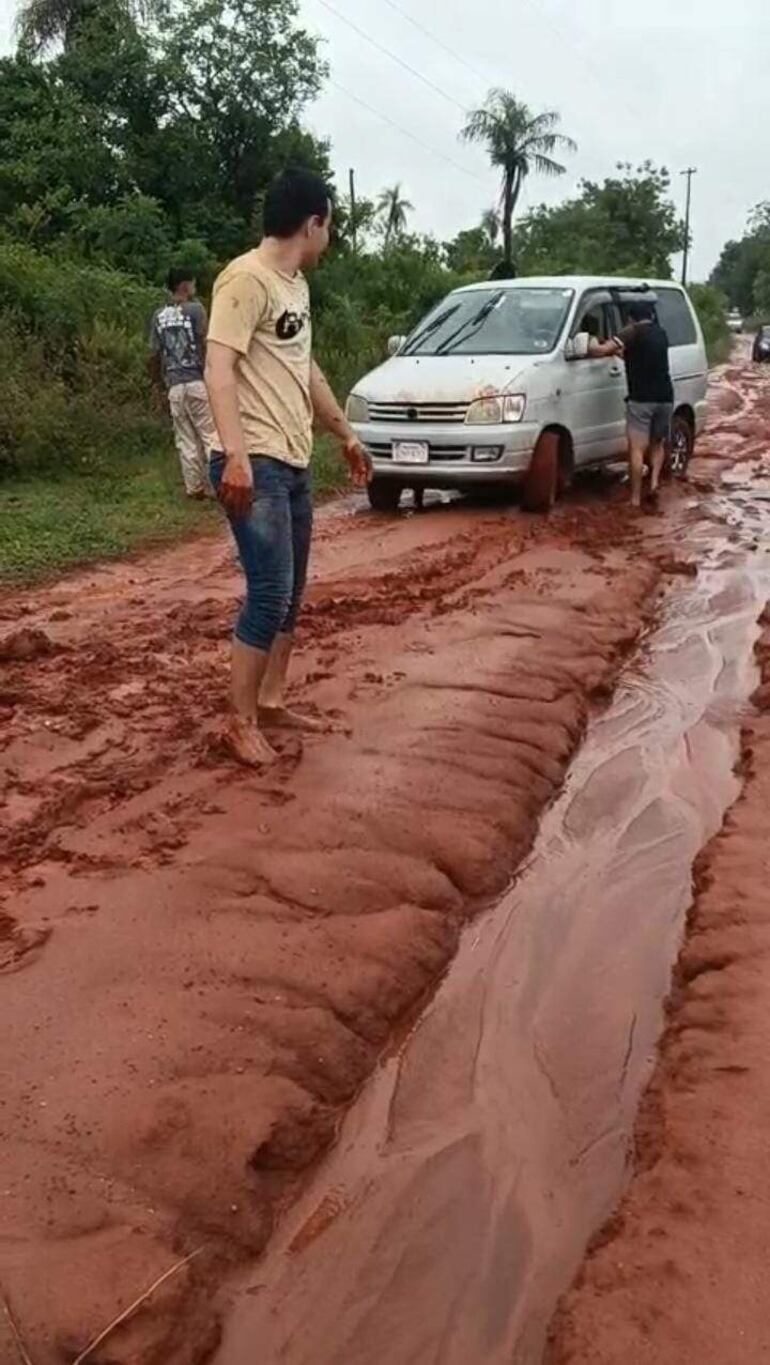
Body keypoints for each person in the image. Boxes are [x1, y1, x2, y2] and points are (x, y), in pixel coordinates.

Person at [205, 168, 371, 768]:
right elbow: (217, 369)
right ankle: (239, 721)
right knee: (270, 590)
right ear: (313, 222)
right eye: (330, 225)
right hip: (254, 461)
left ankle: (271, 700)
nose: (330, 236)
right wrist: (237, 456)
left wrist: (345, 433)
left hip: (293, 459)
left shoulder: (294, 286)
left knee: (291, 591)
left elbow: (305, 368)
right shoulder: (244, 280)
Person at [149, 268, 218, 498]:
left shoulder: (158, 315)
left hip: (174, 385)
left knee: (185, 438)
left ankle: (194, 486)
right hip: (197, 380)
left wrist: (158, 383)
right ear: (184, 285)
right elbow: (204, 343)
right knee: (210, 435)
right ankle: (218, 484)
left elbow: (154, 354)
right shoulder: (196, 310)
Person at [617, 299, 673, 510]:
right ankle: (654, 484)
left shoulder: (632, 333)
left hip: (641, 399)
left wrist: (592, 345)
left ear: (632, 319)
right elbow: (642, 358)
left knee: (637, 449)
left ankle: (635, 498)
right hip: (665, 398)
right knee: (657, 444)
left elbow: (603, 349)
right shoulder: (662, 334)